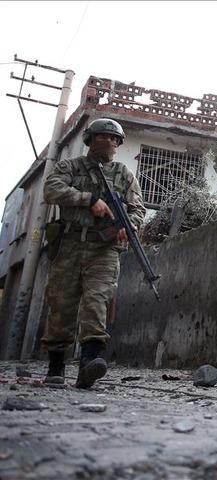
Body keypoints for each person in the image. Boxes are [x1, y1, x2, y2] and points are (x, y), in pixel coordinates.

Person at [41, 118, 145, 389]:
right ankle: (56, 365)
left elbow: (137, 209)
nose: (108, 142)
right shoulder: (71, 167)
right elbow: (52, 189)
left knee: (98, 302)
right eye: (102, 136)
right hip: (70, 243)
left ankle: (89, 363)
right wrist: (89, 200)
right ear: (89, 139)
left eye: (113, 138)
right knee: (61, 305)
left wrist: (128, 226)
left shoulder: (124, 174)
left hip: (105, 249)